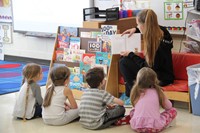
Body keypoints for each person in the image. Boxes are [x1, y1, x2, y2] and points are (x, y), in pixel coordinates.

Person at [120, 9, 174, 97]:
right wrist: (136, 29)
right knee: (125, 59)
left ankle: (133, 95)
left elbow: (147, 68)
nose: (137, 26)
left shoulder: (156, 45)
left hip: (159, 78)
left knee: (123, 62)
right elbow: (154, 26)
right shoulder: (164, 32)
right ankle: (131, 92)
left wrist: (131, 54)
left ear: (144, 25)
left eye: (138, 24)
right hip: (166, 75)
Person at [116, 67, 177, 132]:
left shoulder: (136, 91)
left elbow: (134, 105)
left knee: (133, 111)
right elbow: (169, 106)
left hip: (136, 126)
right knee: (173, 110)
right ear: (155, 80)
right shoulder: (158, 91)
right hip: (154, 127)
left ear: (138, 80)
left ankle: (130, 119)